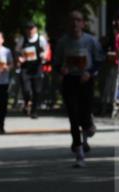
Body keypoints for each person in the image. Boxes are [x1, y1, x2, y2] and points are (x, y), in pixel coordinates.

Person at [53, 10, 104, 168]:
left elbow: (99, 60)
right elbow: (55, 63)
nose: (75, 23)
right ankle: (79, 152)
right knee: (73, 117)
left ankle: (88, 126)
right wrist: (61, 69)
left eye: (78, 20)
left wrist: (90, 72)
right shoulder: (63, 42)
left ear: (83, 23)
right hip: (70, 80)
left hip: (85, 80)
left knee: (84, 112)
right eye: (72, 20)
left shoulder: (90, 41)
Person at [16, 21, 49, 118]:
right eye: (28, 29)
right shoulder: (23, 39)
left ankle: (34, 111)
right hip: (25, 68)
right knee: (26, 90)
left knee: (37, 91)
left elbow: (46, 49)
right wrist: (19, 58)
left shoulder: (40, 39)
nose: (30, 31)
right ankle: (27, 102)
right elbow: (17, 51)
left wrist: (44, 56)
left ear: (35, 29)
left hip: (37, 67)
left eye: (32, 28)